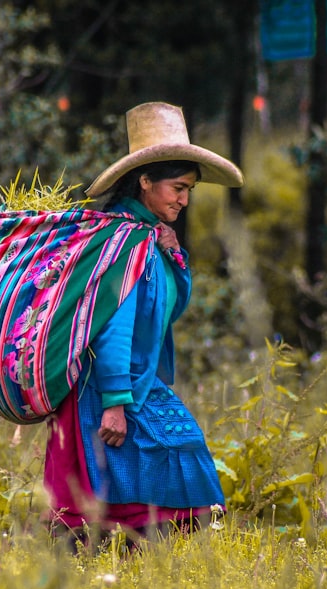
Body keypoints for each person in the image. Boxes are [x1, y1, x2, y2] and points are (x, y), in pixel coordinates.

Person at [43, 102, 244, 542]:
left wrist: (174, 260)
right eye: (177, 187)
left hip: (137, 379)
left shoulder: (148, 240)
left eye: (189, 189)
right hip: (105, 385)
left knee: (165, 463)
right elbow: (114, 322)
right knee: (165, 458)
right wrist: (115, 402)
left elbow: (166, 311)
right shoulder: (125, 241)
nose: (184, 200)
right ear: (145, 181)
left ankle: (127, 568)